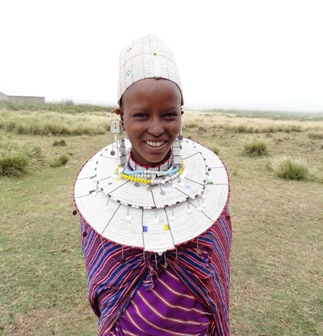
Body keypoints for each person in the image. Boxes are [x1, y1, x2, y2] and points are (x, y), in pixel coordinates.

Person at [73, 33, 232, 336]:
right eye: (142, 115)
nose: (157, 128)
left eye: (169, 115)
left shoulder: (208, 189)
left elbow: (215, 269)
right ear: (120, 118)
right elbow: (102, 274)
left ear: (181, 116)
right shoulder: (98, 195)